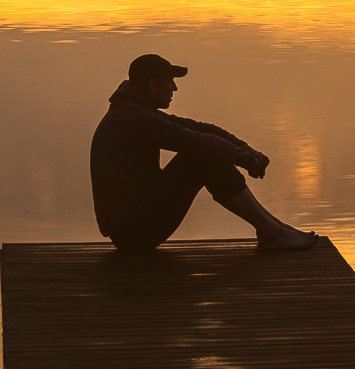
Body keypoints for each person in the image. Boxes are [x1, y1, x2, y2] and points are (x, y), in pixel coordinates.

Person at [90, 52, 316, 253]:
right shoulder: (135, 118)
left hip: (134, 225)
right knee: (203, 155)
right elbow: (198, 142)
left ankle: (274, 228)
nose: (175, 88)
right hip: (132, 232)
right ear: (153, 86)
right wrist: (245, 160)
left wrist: (245, 148)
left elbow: (200, 128)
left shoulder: (135, 112)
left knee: (205, 150)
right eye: (171, 82)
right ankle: (272, 232)